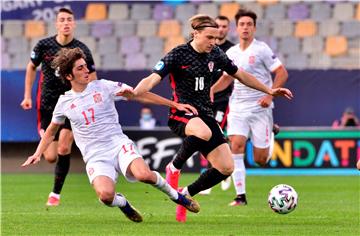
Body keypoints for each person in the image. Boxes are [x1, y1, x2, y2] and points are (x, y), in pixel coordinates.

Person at [21, 47, 200, 222]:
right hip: (95, 156)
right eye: (80, 68)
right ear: (69, 76)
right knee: (106, 196)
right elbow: (52, 131)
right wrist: (37, 153)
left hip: (118, 144)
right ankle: (123, 203)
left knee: (144, 175)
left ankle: (177, 197)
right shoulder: (64, 102)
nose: (86, 70)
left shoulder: (104, 86)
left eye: (86, 66)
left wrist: (175, 105)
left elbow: (138, 95)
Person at [131, 15, 292, 206]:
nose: (213, 42)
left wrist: (269, 90)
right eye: (209, 37)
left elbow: (240, 75)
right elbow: (147, 84)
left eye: (216, 38)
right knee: (203, 132)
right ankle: (174, 166)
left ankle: (185, 193)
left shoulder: (215, 54)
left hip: (205, 114)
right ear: (195, 34)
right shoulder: (178, 54)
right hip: (181, 114)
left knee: (226, 167)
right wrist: (162, 101)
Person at [211, 9, 289, 206]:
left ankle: (270, 133)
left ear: (254, 28)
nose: (245, 27)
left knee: (261, 160)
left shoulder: (261, 49)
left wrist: (268, 96)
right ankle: (240, 196)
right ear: (236, 28)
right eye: (242, 24)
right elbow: (226, 79)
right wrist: (210, 90)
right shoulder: (231, 52)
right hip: (237, 107)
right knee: (235, 147)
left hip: (260, 108)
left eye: (249, 24)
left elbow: (281, 73)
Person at [20, 8, 97, 207]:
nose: (65, 23)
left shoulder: (81, 50)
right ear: (56, 24)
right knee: (51, 156)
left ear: (74, 24)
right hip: (47, 105)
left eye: (69, 20)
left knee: (64, 145)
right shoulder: (43, 45)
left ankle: (55, 194)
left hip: (73, 103)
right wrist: (27, 96)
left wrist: (92, 99)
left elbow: (92, 75)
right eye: (62, 20)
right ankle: (49, 154)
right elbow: (31, 67)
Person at [198, 15, 235, 195]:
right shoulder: (204, 49)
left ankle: (220, 170)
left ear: (228, 29)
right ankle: (214, 172)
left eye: (224, 26)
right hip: (203, 101)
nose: (220, 29)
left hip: (222, 100)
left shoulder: (231, 50)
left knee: (216, 133)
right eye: (218, 26)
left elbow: (234, 74)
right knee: (201, 136)